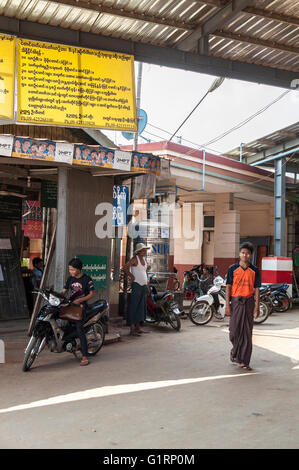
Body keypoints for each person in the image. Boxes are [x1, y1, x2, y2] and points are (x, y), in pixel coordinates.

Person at [225, 241, 261, 371]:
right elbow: (228, 287)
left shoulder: (255, 270)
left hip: (249, 302)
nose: (245, 255)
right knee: (234, 332)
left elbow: (257, 289)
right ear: (239, 254)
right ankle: (235, 352)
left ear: (251, 255)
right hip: (236, 302)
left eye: (247, 253)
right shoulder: (232, 269)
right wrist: (227, 305)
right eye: (242, 252)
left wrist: (256, 307)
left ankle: (244, 361)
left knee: (247, 332)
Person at [60, 258, 95, 366]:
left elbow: (91, 294)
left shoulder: (86, 279)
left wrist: (80, 300)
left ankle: (84, 356)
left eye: (72, 269)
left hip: (81, 307)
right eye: (69, 269)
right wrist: (56, 295)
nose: (71, 272)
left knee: (80, 330)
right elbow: (64, 291)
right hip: (71, 305)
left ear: (79, 269)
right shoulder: (70, 279)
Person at [123, 243, 150, 336]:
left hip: (143, 285)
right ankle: (132, 328)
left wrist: (148, 285)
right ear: (138, 251)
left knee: (141, 307)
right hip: (137, 285)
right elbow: (125, 267)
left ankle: (138, 327)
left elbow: (146, 272)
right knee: (134, 306)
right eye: (143, 250)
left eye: (145, 250)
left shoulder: (144, 260)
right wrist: (131, 276)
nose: (144, 251)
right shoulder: (135, 259)